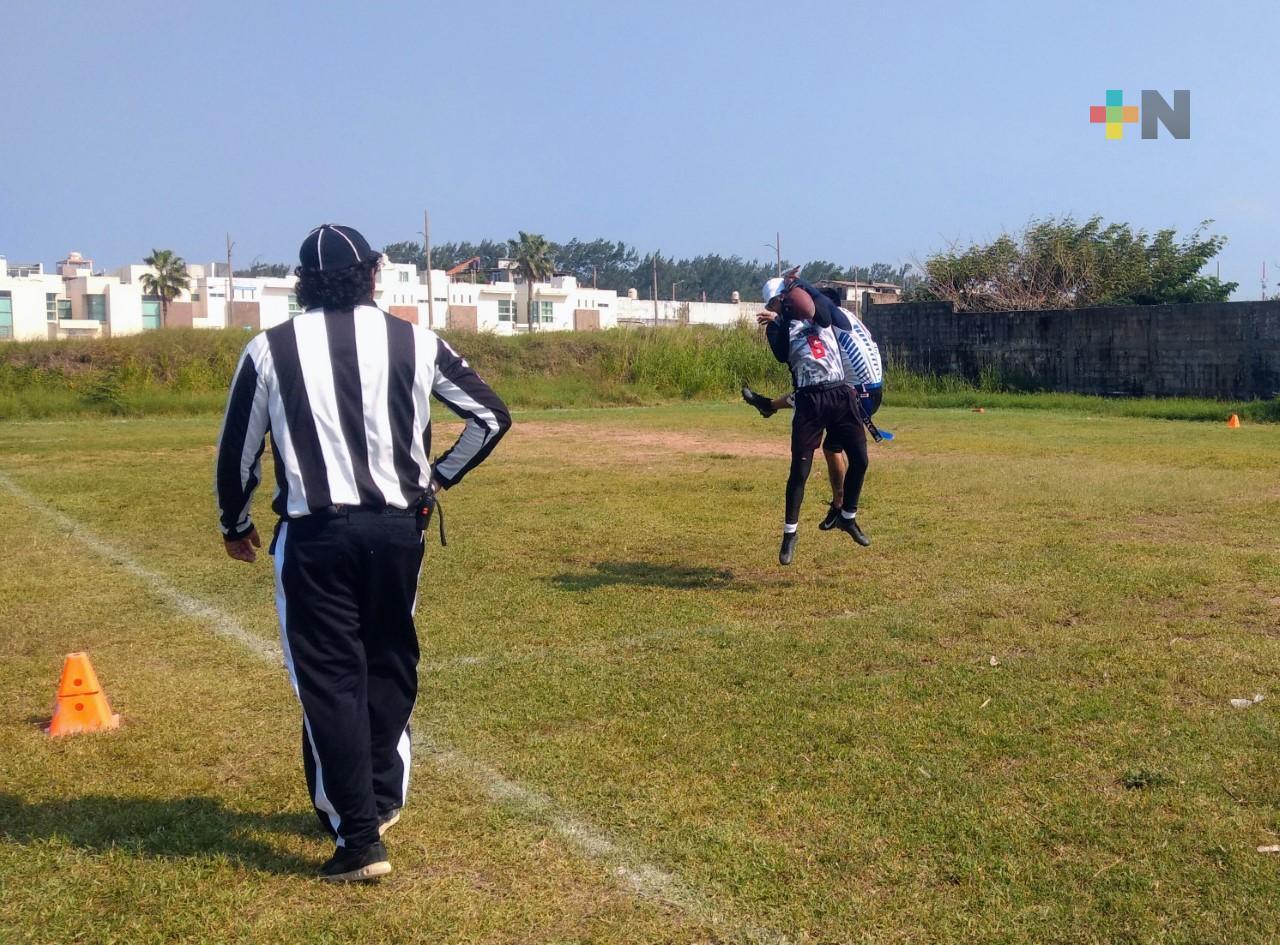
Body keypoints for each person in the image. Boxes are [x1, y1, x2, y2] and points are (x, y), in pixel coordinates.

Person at [215, 224, 511, 882]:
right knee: (387, 659)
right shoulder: (414, 339)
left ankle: (357, 836)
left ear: (303, 282)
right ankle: (378, 801)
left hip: (317, 535)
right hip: (397, 530)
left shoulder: (269, 351)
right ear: (373, 273)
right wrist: (438, 477)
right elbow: (491, 415)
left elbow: (238, 451)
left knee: (331, 677)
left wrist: (234, 522)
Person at [742, 285, 883, 532]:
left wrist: (779, 318)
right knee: (813, 392)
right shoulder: (844, 318)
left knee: (831, 445)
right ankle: (769, 406)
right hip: (870, 388)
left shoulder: (829, 322)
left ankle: (839, 508)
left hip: (859, 391)